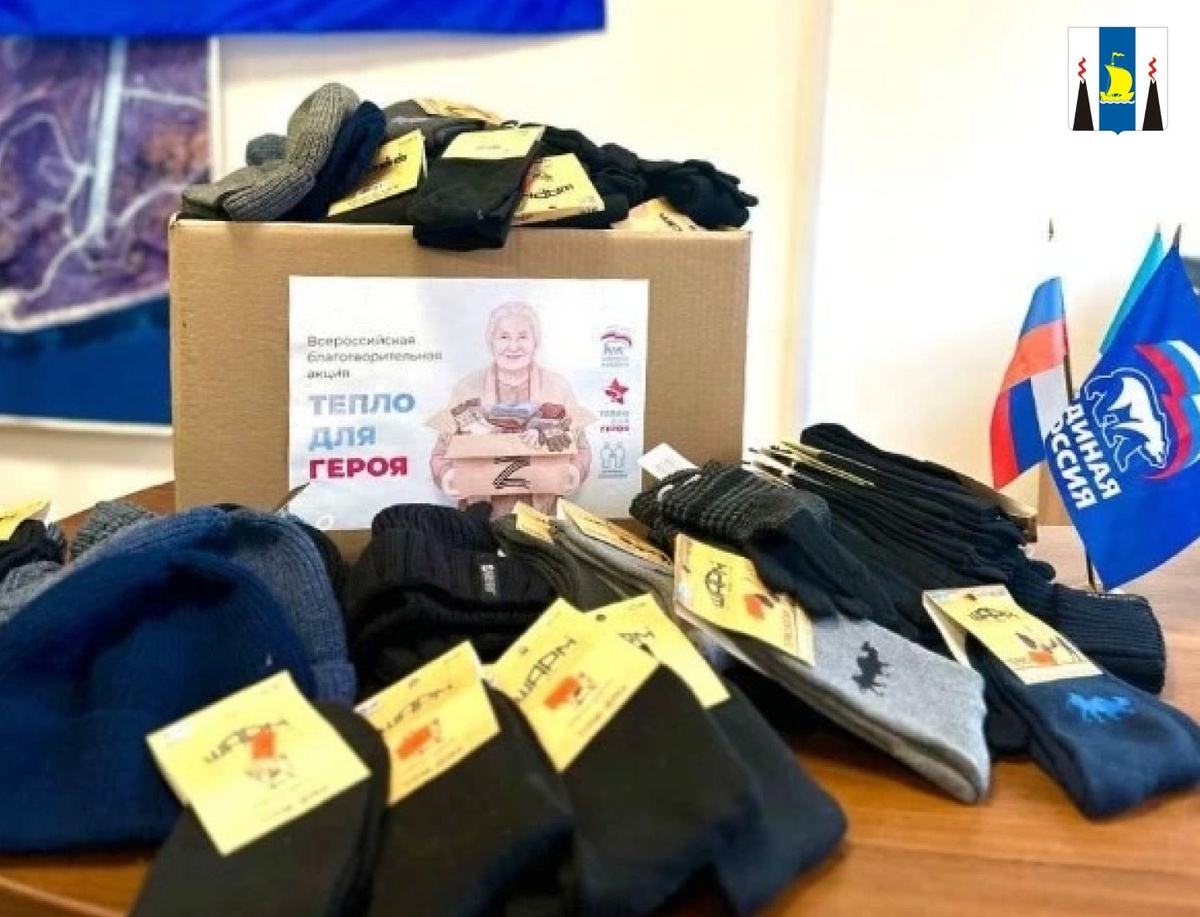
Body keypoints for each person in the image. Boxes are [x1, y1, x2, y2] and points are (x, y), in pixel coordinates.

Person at [430, 300, 592, 515]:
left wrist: (575, 471)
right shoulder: (467, 388)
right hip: (480, 517)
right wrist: (447, 475)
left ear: (535, 342)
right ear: (491, 342)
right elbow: (442, 451)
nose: (513, 346)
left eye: (523, 336)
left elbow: (581, 446)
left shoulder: (557, 387)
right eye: (504, 337)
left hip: (543, 515)